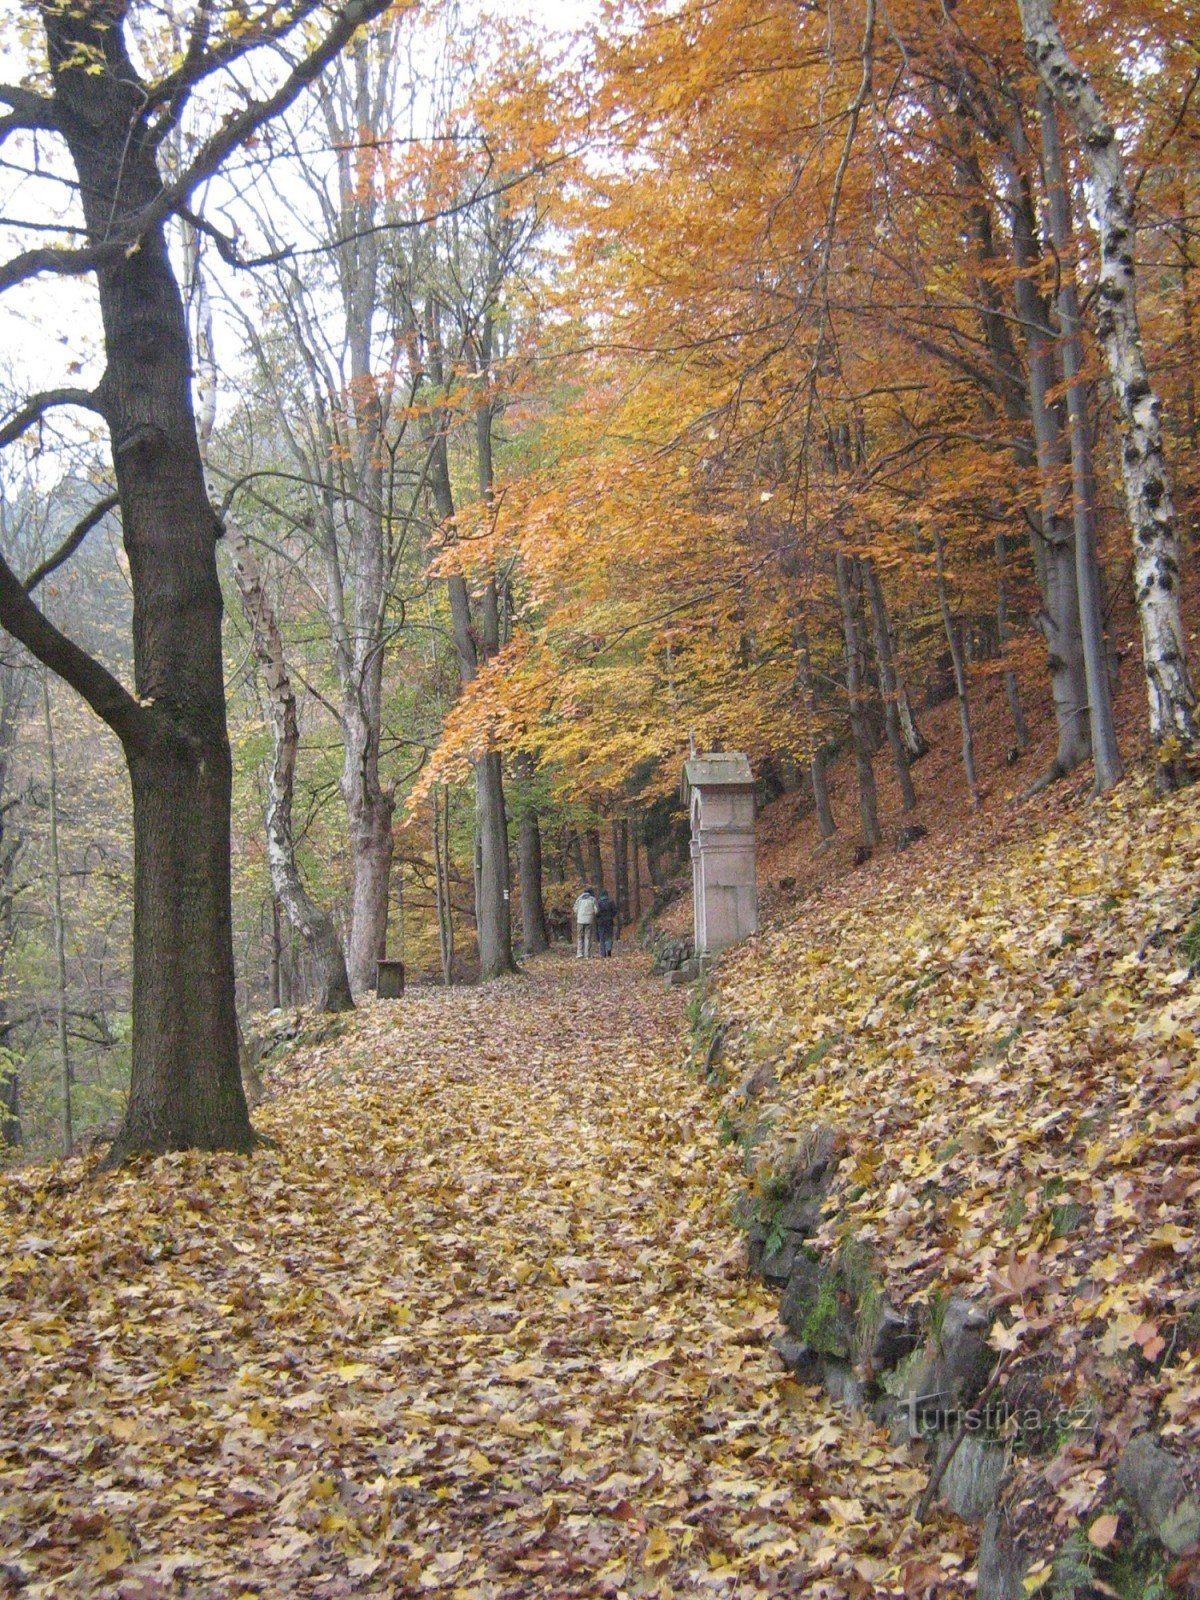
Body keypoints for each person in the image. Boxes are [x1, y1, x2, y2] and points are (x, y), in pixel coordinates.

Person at [573, 887, 598, 958]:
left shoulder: (579, 899)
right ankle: (587, 954)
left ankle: (579, 953)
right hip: (589, 920)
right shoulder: (593, 899)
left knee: (580, 937)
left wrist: (578, 914)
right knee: (588, 937)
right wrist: (592, 914)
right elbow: (596, 910)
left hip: (580, 920)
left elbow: (575, 909)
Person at [595, 889, 617, 957]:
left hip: (601, 922)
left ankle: (603, 953)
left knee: (602, 937)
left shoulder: (598, 902)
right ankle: (609, 950)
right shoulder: (611, 902)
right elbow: (615, 911)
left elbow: (597, 913)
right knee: (609, 936)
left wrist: (598, 918)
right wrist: (611, 916)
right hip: (609, 921)